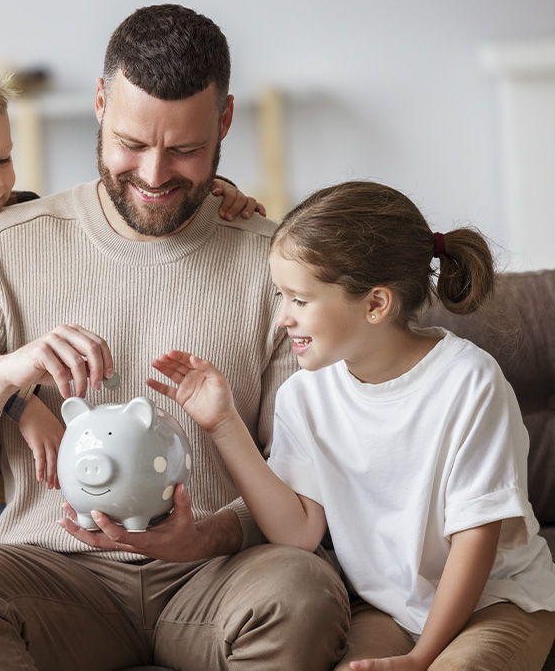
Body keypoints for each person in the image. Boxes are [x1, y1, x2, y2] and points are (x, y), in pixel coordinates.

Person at [0, 4, 350, 670]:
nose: (154, 176)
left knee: (303, 591)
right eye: (132, 144)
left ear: (225, 122)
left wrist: (209, 534)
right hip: (55, 576)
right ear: (100, 104)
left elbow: (308, 476)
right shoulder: (4, 248)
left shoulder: (273, 264)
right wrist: (3, 376)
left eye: (184, 150)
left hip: (217, 576)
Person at [0, 49, 262, 555]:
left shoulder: (16, 216)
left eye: (3, 159)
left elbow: (122, 199)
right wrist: (25, 407)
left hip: (31, 477)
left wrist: (211, 192)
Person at [149, 180, 555, 670]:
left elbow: (477, 540)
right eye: (280, 296)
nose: (281, 318)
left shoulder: (469, 382)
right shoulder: (304, 395)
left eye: (299, 300)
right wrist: (224, 425)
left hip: (498, 601)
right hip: (391, 608)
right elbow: (299, 532)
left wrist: (421, 658)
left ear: (376, 305)